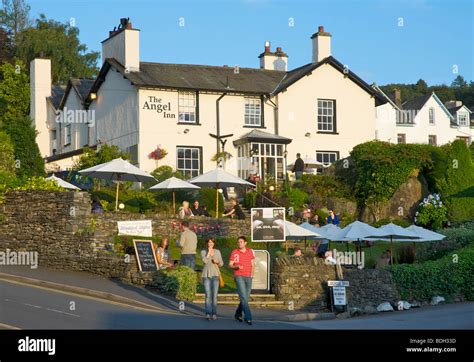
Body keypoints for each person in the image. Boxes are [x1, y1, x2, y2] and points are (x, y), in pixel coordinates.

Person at [229, 236, 255, 325]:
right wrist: (236, 267)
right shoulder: (234, 252)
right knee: (243, 297)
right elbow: (230, 265)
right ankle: (248, 317)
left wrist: (252, 275)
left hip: (248, 276)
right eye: (238, 242)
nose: (239, 243)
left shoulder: (250, 251)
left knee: (245, 298)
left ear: (245, 243)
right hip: (238, 276)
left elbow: (253, 264)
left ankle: (237, 313)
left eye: (241, 242)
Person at [200, 238, 224, 321]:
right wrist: (209, 253)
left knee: (214, 296)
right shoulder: (203, 251)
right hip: (206, 275)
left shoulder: (217, 251)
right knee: (208, 295)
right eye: (208, 242)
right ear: (207, 243)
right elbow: (204, 261)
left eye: (211, 242)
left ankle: (214, 313)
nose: (210, 243)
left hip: (215, 275)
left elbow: (221, 263)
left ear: (214, 243)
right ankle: (207, 313)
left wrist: (217, 262)